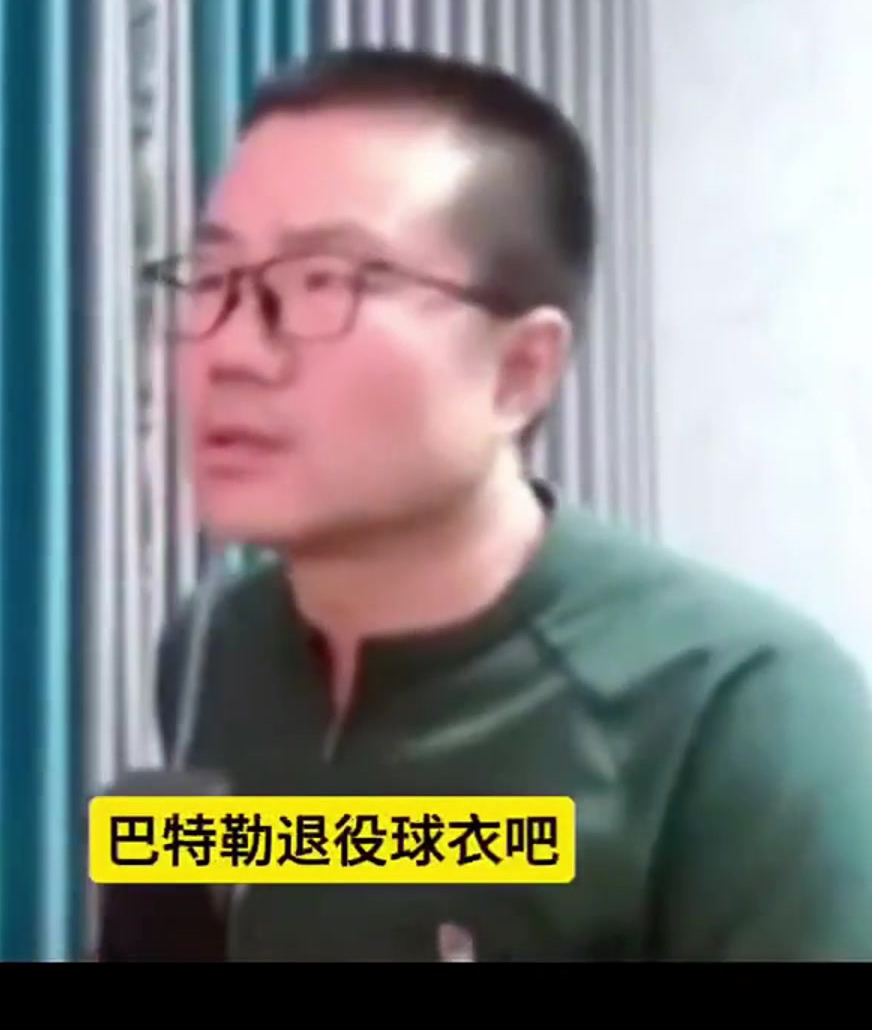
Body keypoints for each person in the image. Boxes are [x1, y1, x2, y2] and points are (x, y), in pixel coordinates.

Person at [100, 47, 872, 962]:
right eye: (214, 279)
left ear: (519, 371)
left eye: (323, 284)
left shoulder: (740, 715)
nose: (229, 351)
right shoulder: (217, 651)